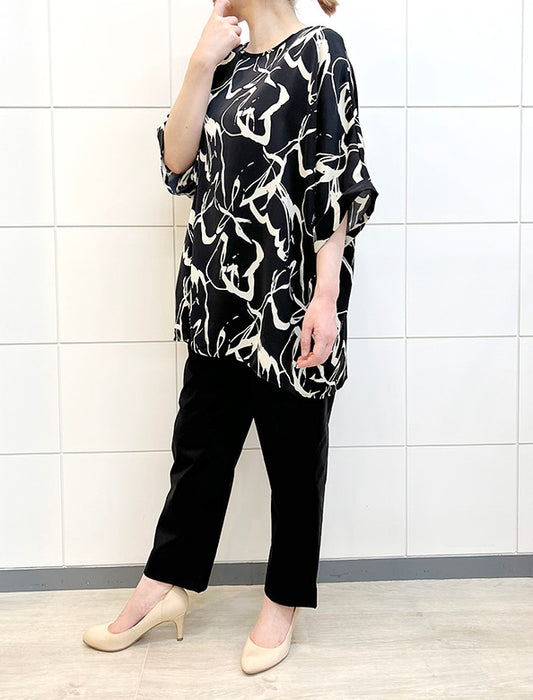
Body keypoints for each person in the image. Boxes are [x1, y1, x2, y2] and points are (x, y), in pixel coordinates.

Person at [82, 0, 379, 675]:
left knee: (293, 463)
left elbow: (335, 180)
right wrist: (198, 63)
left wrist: (325, 299)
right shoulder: (223, 65)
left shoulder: (320, 52)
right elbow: (176, 163)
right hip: (217, 301)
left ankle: (282, 601)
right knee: (198, 453)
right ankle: (162, 586)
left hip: (288, 303)